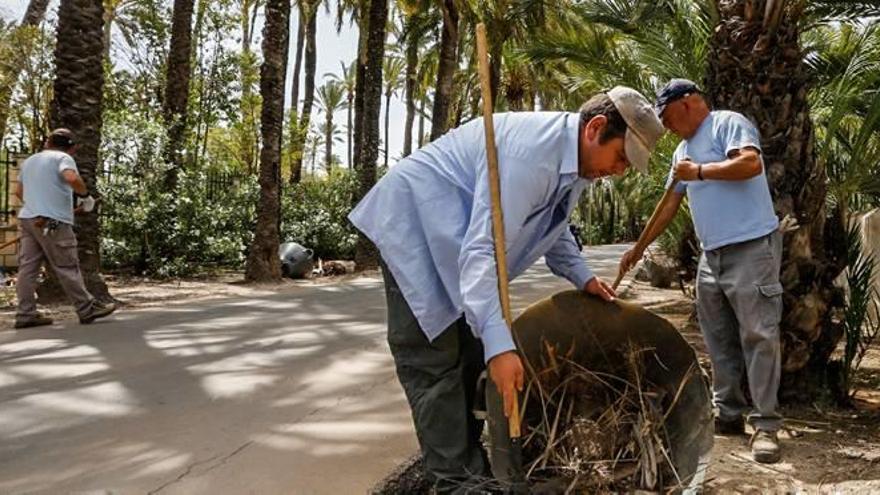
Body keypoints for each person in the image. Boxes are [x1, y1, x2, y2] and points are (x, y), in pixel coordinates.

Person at [349, 87, 664, 492]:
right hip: (418, 228)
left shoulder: (577, 165)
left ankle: (469, 467)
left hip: (458, 244)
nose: (619, 170)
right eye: (621, 157)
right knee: (435, 363)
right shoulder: (529, 156)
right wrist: (500, 346)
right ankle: (455, 484)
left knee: (467, 358)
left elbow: (555, 225)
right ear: (596, 128)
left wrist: (583, 276)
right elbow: (481, 251)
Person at [618, 79, 783, 463]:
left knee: (759, 335)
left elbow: (750, 163)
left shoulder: (728, 123)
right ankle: (727, 414)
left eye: (666, 115)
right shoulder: (681, 152)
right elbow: (669, 204)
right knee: (718, 337)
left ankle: (766, 426)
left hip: (751, 247)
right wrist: (638, 249)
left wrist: (701, 172)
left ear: (688, 103)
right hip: (712, 257)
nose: (665, 125)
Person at [14, 128, 116, 328]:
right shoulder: (63, 158)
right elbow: (70, 178)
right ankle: (87, 308)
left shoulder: (30, 161)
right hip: (52, 222)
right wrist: (85, 197)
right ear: (72, 149)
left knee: (28, 269)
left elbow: (19, 192)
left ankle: (25, 314)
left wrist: (38, 205)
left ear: (47, 143)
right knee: (66, 265)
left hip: (28, 219)